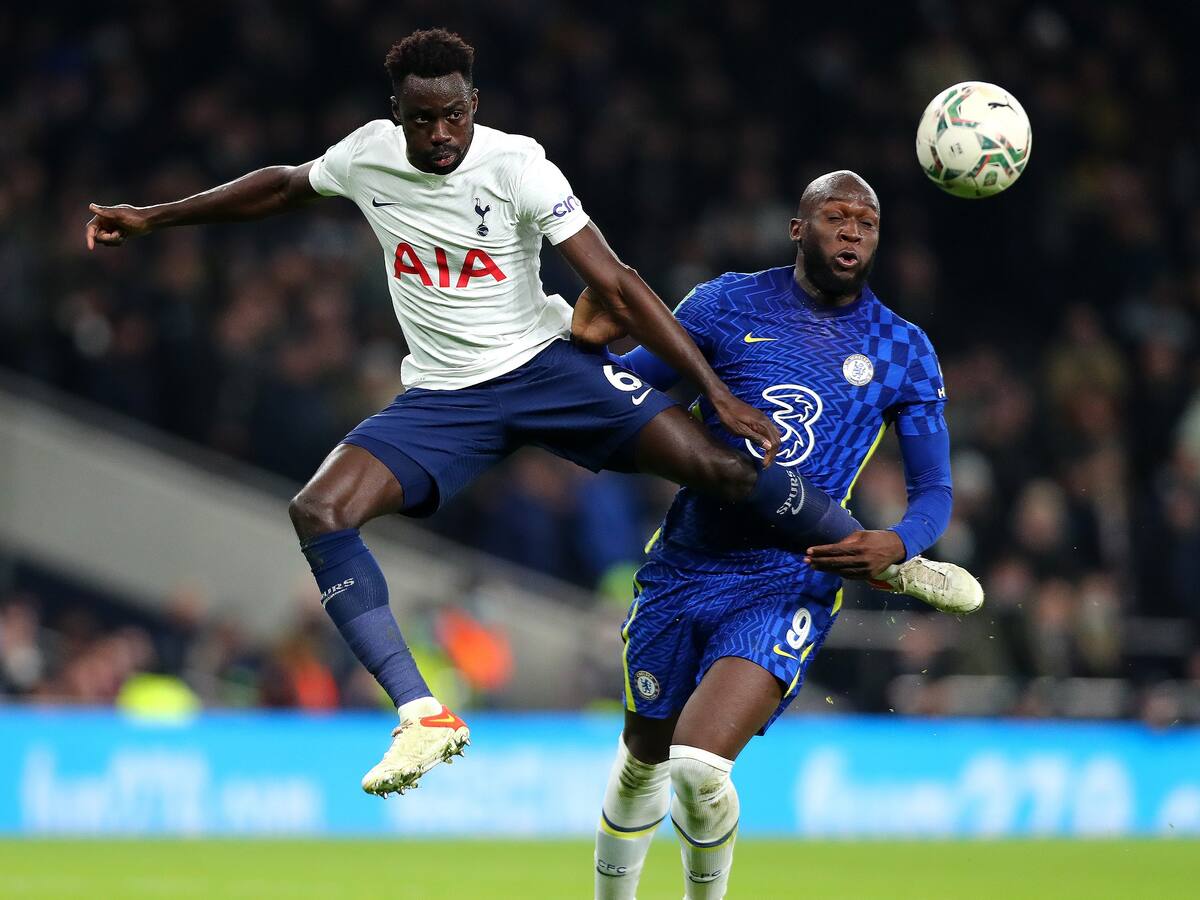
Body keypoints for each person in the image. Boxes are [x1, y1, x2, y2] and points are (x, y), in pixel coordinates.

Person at [82, 28, 948, 799]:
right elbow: (280, 186)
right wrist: (153, 219)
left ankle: (886, 563)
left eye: (453, 116)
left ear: (473, 107)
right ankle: (421, 714)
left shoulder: (518, 163)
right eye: (422, 120)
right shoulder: (366, 156)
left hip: (547, 368)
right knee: (318, 509)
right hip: (445, 399)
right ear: (399, 115)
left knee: (723, 463)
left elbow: (615, 285)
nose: (440, 135)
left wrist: (715, 391)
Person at [576, 171, 982, 899]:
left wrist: (899, 542)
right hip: (686, 563)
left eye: (867, 222)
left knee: (699, 768)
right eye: (836, 216)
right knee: (645, 757)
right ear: (799, 228)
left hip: (790, 575)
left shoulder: (902, 350)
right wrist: (590, 353)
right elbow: (626, 396)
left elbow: (935, 492)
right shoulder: (722, 304)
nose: (853, 231)